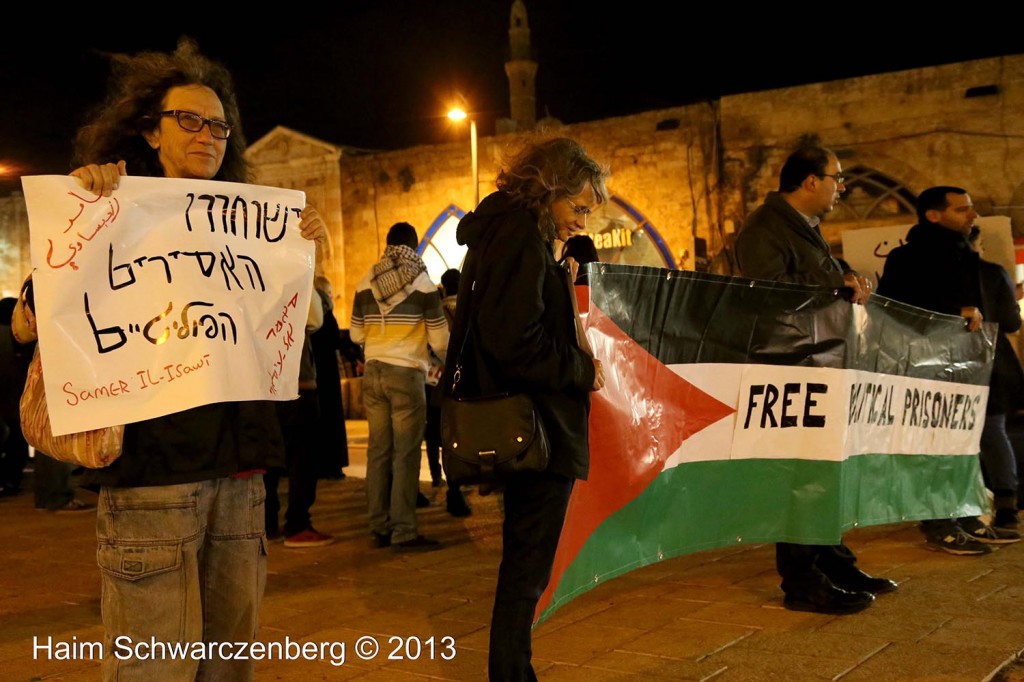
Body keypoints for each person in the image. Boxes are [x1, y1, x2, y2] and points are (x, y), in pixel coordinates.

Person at [12, 38, 327, 680]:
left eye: (218, 123)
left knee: (228, 664)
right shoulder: (111, 210)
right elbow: (27, 324)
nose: (208, 134)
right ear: (150, 132)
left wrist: (305, 262)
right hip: (154, 478)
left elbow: (307, 325)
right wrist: (81, 216)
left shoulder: (250, 224)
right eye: (189, 119)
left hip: (241, 480)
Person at [443, 137, 607, 680]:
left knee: (524, 566)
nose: (583, 219)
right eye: (578, 207)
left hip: (532, 421)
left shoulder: (512, 232)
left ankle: (514, 670)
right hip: (537, 425)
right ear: (548, 188)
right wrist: (582, 369)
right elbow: (514, 339)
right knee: (525, 570)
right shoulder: (517, 236)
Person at [735, 144, 896, 615]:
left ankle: (833, 560)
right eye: (836, 177)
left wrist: (847, 278)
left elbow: (818, 276)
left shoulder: (804, 228)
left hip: (821, 364)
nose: (841, 187)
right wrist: (832, 287)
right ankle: (803, 580)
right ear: (809, 181)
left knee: (825, 471)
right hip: (793, 368)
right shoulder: (763, 230)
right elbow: (769, 298)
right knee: (801, 475)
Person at [877, 187, 1022, 552]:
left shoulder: (971, 262)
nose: (972, 215)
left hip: (975, 368)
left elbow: (1003, 318)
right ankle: (939, 520)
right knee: (938, 444)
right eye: (963, 209)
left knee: (968, 443)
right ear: (933, 215)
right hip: (931, 368)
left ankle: (965, 513)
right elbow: (895, 309)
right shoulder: (906, 259)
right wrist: (953, 313)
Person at [350, 222, 449, 551]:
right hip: (406, 373)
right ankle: (404, 530)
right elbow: (440, 338)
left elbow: (355, 335)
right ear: (414, 247)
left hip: (373, 372)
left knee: (378, 451)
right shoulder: (421, 282)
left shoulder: (366, 281)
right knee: (405, 455)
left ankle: (378, 527)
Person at [424, 268, 471, 516]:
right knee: (458, 436)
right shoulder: (465, 310)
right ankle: (457, 487)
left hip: (433, 381)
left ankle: (435, 476)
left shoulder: (437, 311)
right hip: (460, 382)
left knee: (435, 435)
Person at [310, 274, 349, 480]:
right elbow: (331, 339)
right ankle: (330, 465)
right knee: (329, 419)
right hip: (326, 373)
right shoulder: (324, 313)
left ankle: (325, 464)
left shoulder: (314, 312)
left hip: (319, 371)